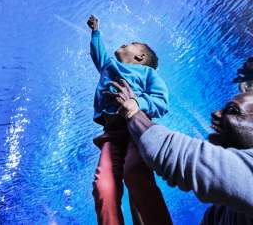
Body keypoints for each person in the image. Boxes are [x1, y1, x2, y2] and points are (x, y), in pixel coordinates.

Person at [106, 79, 253, 224]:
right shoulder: (221, 213)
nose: (215, 113)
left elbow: (174, 153)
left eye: (233, 110)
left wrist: (133, 111)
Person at [87, 15, 172, 225]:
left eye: (133, 43)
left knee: (134, 172)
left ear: (141, 56)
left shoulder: (147, 73)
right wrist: (96, 31)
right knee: (103, 187)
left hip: (136, 130)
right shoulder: (109, 66)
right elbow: (98, 54)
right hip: (111, 137)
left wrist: (136, 102)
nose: (126, 42)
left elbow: (161, 103)